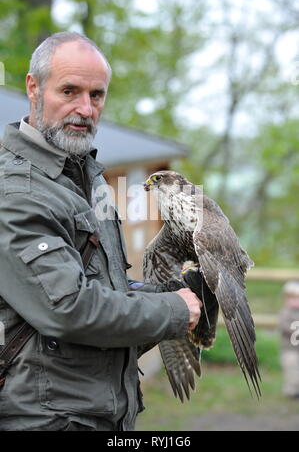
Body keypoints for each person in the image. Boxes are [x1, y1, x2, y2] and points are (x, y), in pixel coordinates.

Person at [0, 32, 202, 431]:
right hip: (46, 418)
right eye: (70, 91)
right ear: (33, 87)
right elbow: (68, 308)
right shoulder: (17, 192)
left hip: (100, 412)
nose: (84, 108)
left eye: (97, 95)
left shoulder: (87, 176)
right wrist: (174, 310)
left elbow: (99, 284)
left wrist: (169, 291)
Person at [279, 280, 299, 399]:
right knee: (292, 369)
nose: (294, 301)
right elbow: (285, 327)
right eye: (291, 298)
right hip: (289, 349)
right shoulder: (285, 313)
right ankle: (291, 390)